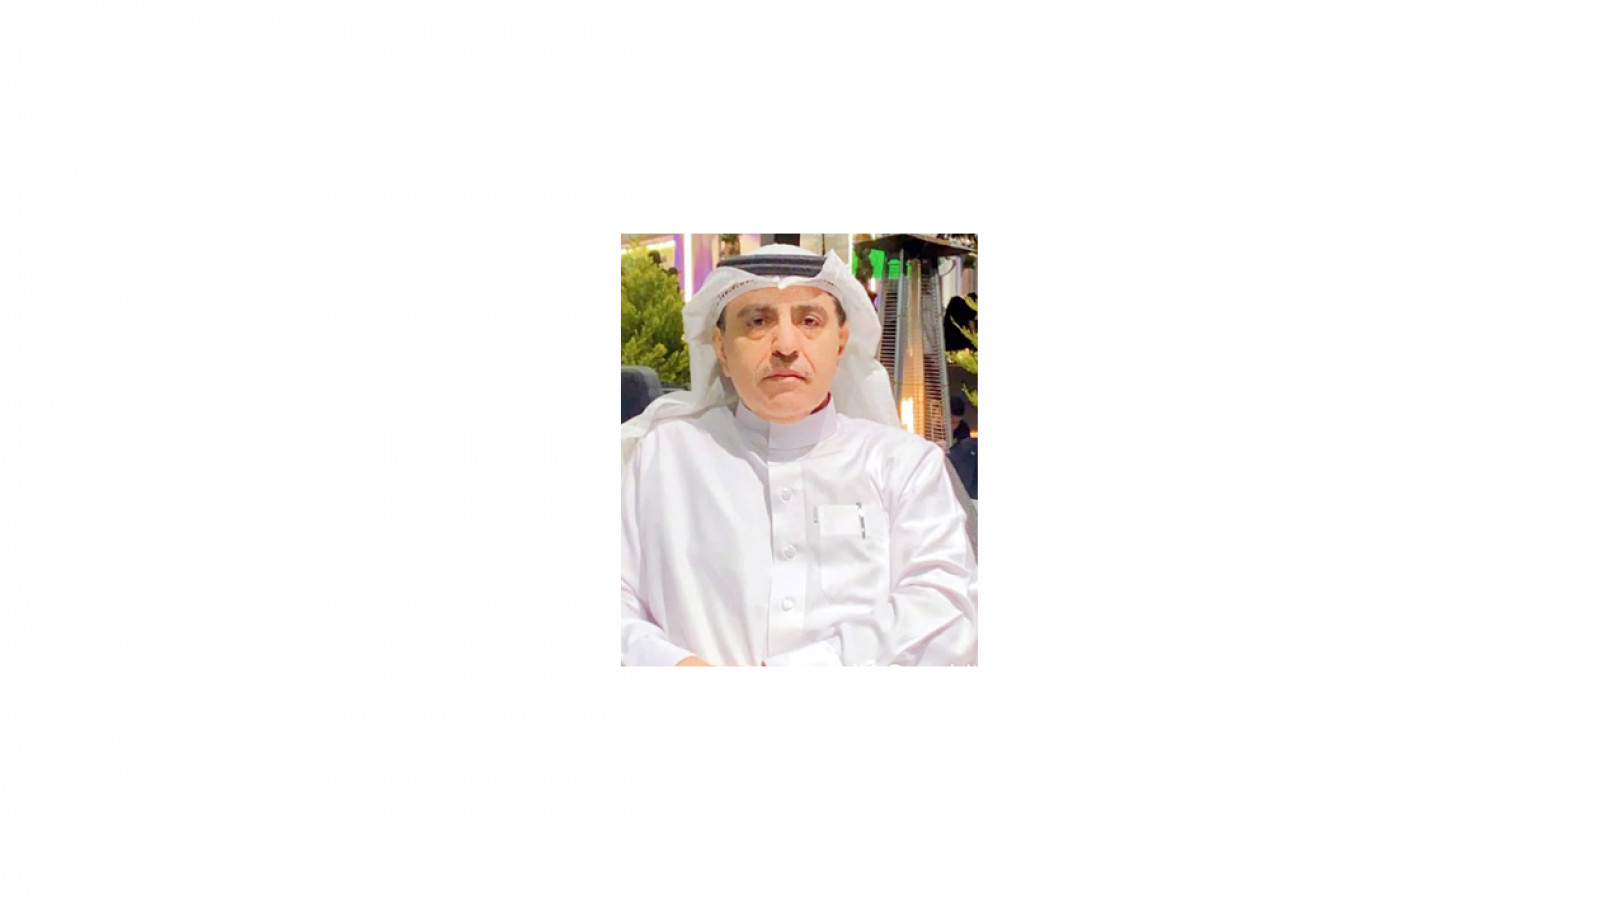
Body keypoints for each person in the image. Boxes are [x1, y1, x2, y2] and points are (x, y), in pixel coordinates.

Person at [621, 244, 977, 666]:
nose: (786, 345)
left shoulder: (905, 466)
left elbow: (947, 609)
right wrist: (673, 667)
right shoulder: (658, 456)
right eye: (758, 321)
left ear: (841, 342)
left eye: (809, 321)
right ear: (721, 347)